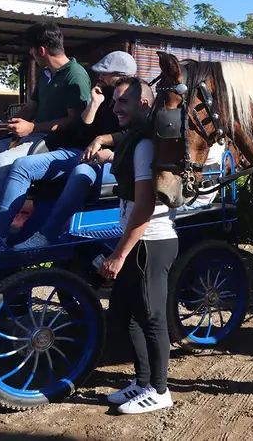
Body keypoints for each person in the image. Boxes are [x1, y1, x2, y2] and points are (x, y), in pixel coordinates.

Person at [0, 51, 134, 247]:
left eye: (105, 74)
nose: (100, 78)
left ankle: (47, 234)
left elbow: (134, 134)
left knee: (81, 172)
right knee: (22, 165)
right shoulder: (104, 98)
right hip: (82, 152)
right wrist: (93, 105)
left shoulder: (134, 100)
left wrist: (104, 142)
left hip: (114, 160)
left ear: (121, 75)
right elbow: (81, 134)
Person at [99, 77, 178, 414]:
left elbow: (145, 205)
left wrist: (119, 254)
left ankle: (160, 391)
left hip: (150, 242)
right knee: (129, 317)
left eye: (123, 102)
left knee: (153, 318)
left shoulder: (145, 145)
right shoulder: (134, 140)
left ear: (144, 104)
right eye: (114, 102)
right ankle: (143, 381)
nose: (115, 108)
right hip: (138, 241)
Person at [0, 23, 91, 206]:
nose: (30, 54)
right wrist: (2, 126)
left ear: (41, 50)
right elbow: (30, 107)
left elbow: (75, 121)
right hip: (35, 136)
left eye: (31, 50)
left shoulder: (75, 75)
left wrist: (33, 127)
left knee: (2, 162)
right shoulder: (46, 74)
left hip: (56, 142)